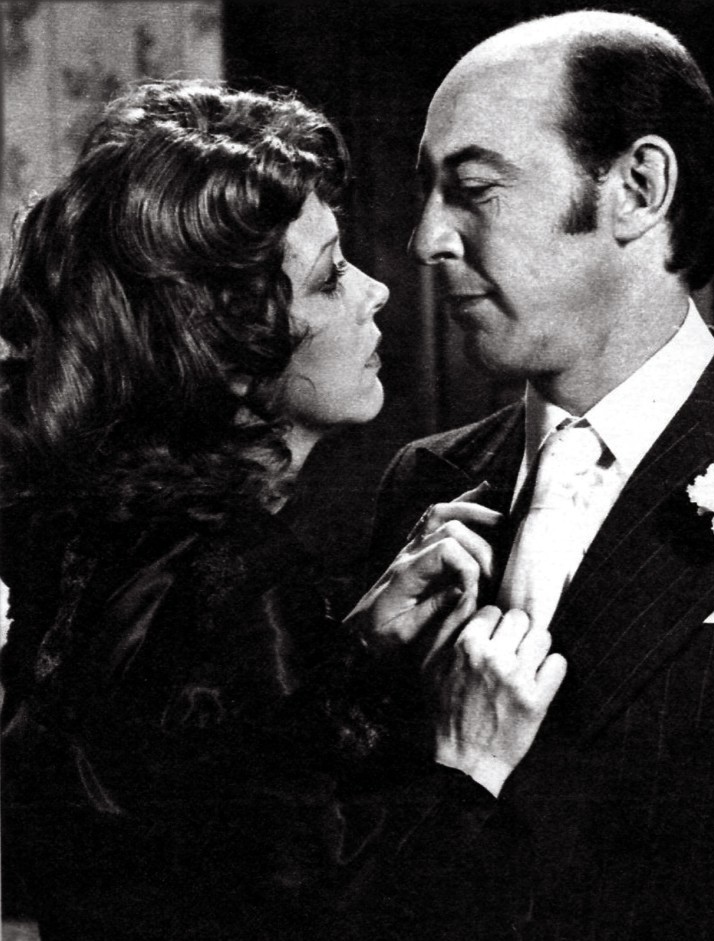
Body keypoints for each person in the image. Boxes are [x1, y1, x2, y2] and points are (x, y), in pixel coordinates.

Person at [0, 80, 567, 941]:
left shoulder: (112, 541)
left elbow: (204, 808)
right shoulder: (237, 579)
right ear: (228, 348)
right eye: (330, 276)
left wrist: (346, 649)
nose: (376, 290)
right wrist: (468, 762)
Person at [369, 11, 714, 940]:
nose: (427, 239)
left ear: (638, 189)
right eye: (428, 193)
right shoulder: (423, 484)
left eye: (473, 189)